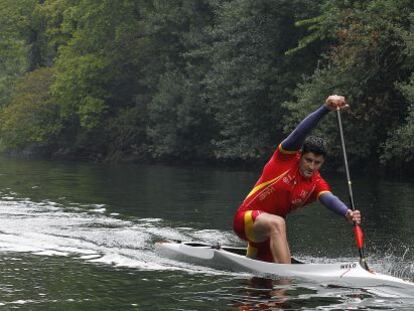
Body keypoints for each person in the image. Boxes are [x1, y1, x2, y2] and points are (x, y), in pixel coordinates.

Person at [233, 95, 361, 263]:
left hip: (267, 235)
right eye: (308, 160)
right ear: (300, 156)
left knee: (266, 286)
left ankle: (265, 279)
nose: (312, 166)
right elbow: (300, 133)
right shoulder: (284, 159)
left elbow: (329, 199)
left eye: (317, 163)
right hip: (246, 220)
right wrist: (325, 109)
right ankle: (287, 278)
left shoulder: (316, 182)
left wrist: (347, 213)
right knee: (278, 223)